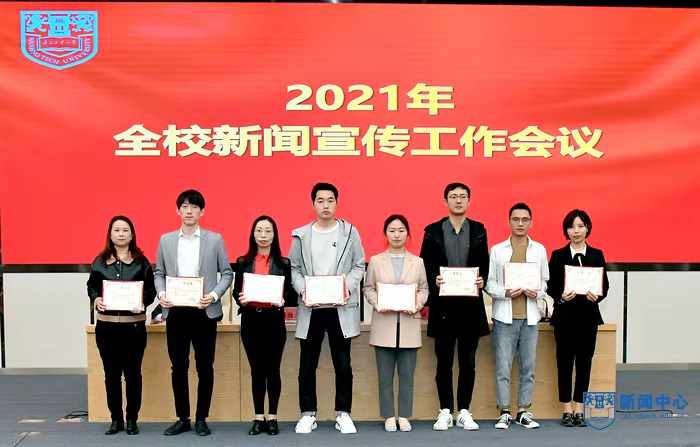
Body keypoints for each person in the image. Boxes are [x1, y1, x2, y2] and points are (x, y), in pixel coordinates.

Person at [154, 190, 234, 436]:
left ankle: (201, 418)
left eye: (194, 207)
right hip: (176, 312)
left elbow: (227, 273)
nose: (189, 211)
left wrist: (213, 296)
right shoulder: (166, 240)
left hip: (204, 312)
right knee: (178, 367)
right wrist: (162, 293)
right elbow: (159, 273)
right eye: (185, 206)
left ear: (202, 212)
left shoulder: (215, 240)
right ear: (178, 210)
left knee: (205, 366)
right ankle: (182, 418)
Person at [288, 182, 365, 435]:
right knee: (307, 365)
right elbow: (294, 269)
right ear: (313, 204)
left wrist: (346, 288)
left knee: (343, 364)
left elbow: (359, 265)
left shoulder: (350, 232)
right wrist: (304, 290)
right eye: (320, 201)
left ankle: (343, 414)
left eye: (330, 200)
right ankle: (308, 414)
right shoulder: (301, 235)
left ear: (336, 203)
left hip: (340, 307)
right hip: (311, 307)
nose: (325, 205)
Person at [419, 182, 489, 431]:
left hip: (470, 306)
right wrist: (433, 279)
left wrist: (482, 279)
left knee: (468, 361)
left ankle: (465, 411)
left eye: (462, 196)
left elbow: (484, 264)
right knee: (444, 361)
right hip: (444, 307)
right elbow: (424, 266)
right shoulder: (432, 231)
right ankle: (445, 410)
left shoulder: (479, 230)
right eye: (453, 196)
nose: (458, 200)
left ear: (469, 201)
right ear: (445, 201)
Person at [87, 215, 156, 436]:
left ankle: (132, 419)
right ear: (110, 234)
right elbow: (92, 287)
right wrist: (96, 299)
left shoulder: (141, 262)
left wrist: (142, 302)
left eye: (125, 230)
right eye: (117, 230)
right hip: (106, 328)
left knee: (133, 375)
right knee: (111, 375)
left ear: (132, 235)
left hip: (133, 328)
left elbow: (151, 290)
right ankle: (115, 419)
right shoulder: (99, 261)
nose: (121, 234)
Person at [485, 203, 549, 429]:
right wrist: (505, 292)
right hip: (505, 318)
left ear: (531, 222)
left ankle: (523, 411)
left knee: (528, 367)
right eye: (516, 219)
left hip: (530, 317)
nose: (520, 223)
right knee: (503, 368)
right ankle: (504, 411)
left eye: (525, 219)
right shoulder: (497, 250)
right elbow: (489, 283)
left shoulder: (539, 250)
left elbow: (544, 282)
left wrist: (536, 292)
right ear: (509, 222)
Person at [232, 216, 297, 436]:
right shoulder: (243, 262)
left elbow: (290, 293)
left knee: (273, 369)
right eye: (259, 230)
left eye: (268, 231)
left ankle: (273, 417)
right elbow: (236, 291)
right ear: (253, 234)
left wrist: (282, 300)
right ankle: (258, 417)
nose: (263, 235)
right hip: (251, 320)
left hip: (273, 320)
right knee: (256, 370)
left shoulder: (283, 263)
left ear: (274, 235)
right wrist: (240, 299)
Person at [364, 215, 429, 433]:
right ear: (385, 234)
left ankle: (404, 415)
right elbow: (368, 288)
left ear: (408, 234)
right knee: (385, 377)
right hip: (384, 324)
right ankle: (389, 416)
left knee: (407, 377)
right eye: (392, 230)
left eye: (401, 230)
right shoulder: (375, 261)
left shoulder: (418, 262)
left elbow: (424, 289)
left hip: (409, 324)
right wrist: (378, 302)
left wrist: (417, 304)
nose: (396, 235)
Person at [548, 209, 609, 427]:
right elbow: (551, 285)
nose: (576, 231)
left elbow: (604, 286)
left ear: (587, 228)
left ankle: (579, 407)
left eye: (580, 226)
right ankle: (566, 407)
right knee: (564, 362)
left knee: (585, 362)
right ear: (566, 230)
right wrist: (560, 296)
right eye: (571, 226)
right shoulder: (558, 255)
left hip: (588, 317)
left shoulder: (596, 254)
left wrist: (597, 296)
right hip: (564, 317)